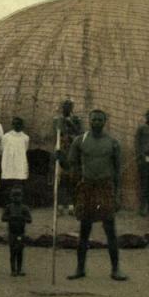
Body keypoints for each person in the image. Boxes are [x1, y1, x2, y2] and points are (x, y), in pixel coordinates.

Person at [57, 109, 128, 281]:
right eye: (93, 119)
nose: (96, 122)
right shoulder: (80, 141)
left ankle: (115, 269)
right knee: (84, 230)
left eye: (99, 120)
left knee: (110, 230)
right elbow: (70, 165)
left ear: (105, 121)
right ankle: (80, 269)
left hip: (105, 187)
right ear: (89, 121)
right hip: (87, 187)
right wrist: (60, 157)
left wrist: (118, 195)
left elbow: (118, 172)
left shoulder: (112, 143)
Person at [53, 98, 83, 215]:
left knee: (72, 178)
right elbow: (56, 132)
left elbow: (80, 133)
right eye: (65, 106)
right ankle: (60, 205)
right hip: (61, 150)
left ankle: (71, 205)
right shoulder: (57, 119)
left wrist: (71, 124)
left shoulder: (76, 120)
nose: (67, 108)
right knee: (60, 179)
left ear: (72, 108)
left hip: (72, 151)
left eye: (69, 106)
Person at [2, 186, 32, 277]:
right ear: (11, 197)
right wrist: (11, 217)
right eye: (14, 196)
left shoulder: (24, 208)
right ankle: (13, 270)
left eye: (18, 196)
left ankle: (19, 269)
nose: (16, 198)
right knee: (12, 251)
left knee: (20, 251)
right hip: (12, 233)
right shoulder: (9, 207)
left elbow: (30, 219)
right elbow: (3, 218)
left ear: (21, 197)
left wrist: (22, 218)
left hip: (21, 232)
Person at [1, 117, 30, 200]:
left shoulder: (25, 137)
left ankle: (18, 199)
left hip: (20, 161)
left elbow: (25, 149)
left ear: (22, 126)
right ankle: (9, 200)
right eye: (15, 124)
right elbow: (2, 148)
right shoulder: (6, 136)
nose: (17, 126)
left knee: (19, 182)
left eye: (19, 124)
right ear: (12, 125)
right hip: (9, 162)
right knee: (9, 182)